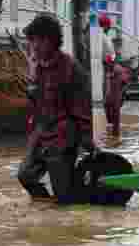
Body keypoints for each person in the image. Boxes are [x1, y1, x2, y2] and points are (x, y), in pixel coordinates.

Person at [17, 13, 95, 204]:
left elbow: (82, 106)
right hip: (40, 132)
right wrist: (33, 80)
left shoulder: (70, 67)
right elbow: (35, 105)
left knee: (64, 196)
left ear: (52, 41)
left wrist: (86, 139)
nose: (34, 46)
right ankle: (45, 206)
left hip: (62, 136)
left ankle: (64, 218)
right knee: (25, 175)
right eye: (33, 40)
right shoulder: (37, 67)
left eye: (39, 40)